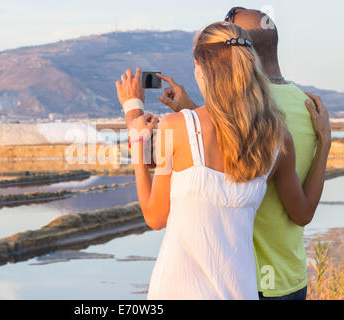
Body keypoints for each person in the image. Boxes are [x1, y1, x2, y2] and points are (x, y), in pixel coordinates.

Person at [115, 22, 331, 299]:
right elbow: (302, 214)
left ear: (200, 68)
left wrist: (134, 120)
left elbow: (155, 216)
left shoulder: (175, 127)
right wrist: (324, 141)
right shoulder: (277, 139)